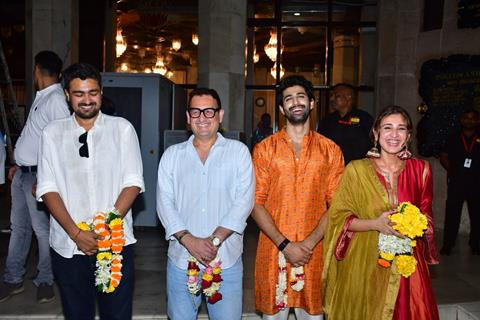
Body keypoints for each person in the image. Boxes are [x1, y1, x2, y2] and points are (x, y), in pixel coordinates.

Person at [36, 63, 144, 320]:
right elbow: (48, 188)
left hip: (115, 243)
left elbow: (133, 183)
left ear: (101, 92)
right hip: (68, 246)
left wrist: (107, 227)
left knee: (116, 315)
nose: (87, 100)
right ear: (66, 95)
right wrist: (76, 233)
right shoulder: (52, 133)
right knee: (77, 315)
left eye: (93, 92)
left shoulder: (122, 129)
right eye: (79, 94)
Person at [322, 105, 439, 320]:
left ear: (408, 135)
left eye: (401, 129)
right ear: (376, 133)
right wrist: (375, 224)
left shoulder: (421, 169)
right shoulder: (356, 170)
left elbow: (428, 217)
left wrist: (414, 225)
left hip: (407, 268)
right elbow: (339, 218)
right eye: (387, 128)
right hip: (364, 262)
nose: (394, 135)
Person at [157, 88, 255, 320]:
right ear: (188, 117)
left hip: (226, 258)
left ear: (220, 115)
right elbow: (164, 203)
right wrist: (189, 241)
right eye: (196, 111)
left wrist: (214, 240)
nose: (202, 118)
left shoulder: (238, 152)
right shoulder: (172, 155)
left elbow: (244, 201)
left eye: (208, 111)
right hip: (181, 259)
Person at [252, 75, 344, 320]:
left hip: (313, 255)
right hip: (273, 253)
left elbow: (337, 205)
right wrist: (285, 245)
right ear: (282, 108)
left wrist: (308, 245)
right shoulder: (264, 149)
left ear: (312, 103)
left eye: (301, 96)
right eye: (289, 98)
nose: (296, 102)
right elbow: (255, 203)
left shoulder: (330, 150)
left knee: (313, 315)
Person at [0, 51, 70, 303]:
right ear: (58, 73)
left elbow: (63, 145)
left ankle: (45, 281)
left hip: (37, 178)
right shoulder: (44, 98)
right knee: (18, 229)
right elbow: (39, 139)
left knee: (42, 231)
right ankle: (13, 278)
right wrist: (19, 165)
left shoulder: (56, 101)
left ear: (36, 70)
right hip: (23, 175)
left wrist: (44, 177)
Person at [440, 109, 480, 255]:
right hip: (457, 182)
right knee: (452, 214)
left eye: (472, 118)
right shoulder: (453, 137)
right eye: (466, 118)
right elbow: (444, 156)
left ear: (477, 121)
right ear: (461, 120)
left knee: (477, 214)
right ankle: (448, 244)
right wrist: (454, 172)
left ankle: (476, 244)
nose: (469, 121)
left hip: (477, 183)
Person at [318, 83, 373, 164]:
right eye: (331, 96)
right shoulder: (327, 120)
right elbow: (319, 145)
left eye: (336, 96)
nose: (332, 99)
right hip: (333, 168)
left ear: (349, 97)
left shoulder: (364, 118)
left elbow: (371, 145)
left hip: (356, 169)